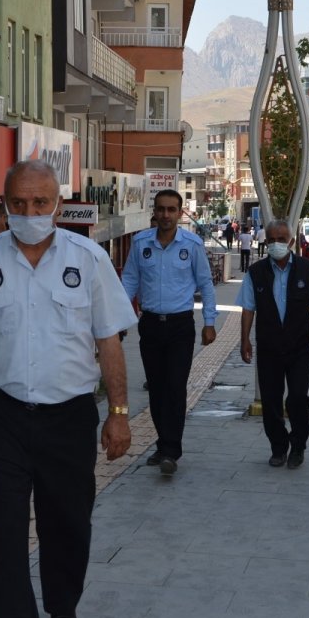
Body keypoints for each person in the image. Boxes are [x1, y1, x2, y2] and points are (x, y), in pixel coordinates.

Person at [0, 161, 136, 618]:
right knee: (5, 530)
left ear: (58, 205)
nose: (30, 212)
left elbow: (110, 341)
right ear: (4, 205)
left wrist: (119, 414)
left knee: (66, 523)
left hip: (68, 418)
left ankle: (63, 600)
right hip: (1, 414)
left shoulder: (88, 259)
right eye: (19, 204)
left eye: (41, 203)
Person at [120, 189, 217, 476]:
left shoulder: (192, 244)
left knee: (175, 387)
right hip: (149, 324)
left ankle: (171, 450)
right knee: (157, 388)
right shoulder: (140, 244)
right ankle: (163, 444)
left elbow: (206, 284)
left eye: (171, 210)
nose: (165, 215)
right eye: (160, 209)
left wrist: (209, 322)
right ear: (154, 211)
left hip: (180, 326)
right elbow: (129, 282)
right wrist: (118, 319)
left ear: (179, 212)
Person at [237, 220, 309, 469]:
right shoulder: (255, 273)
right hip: (268, 347)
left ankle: (298, 445)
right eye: (271, 239)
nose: (277, 243)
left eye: (282, 238)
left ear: (291, 241)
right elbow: (247, 309)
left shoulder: (307, 269)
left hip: (299, 346)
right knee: (271, 401)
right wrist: (244, 340)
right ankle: (278, 447)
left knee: (298, 398)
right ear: (265, 242)